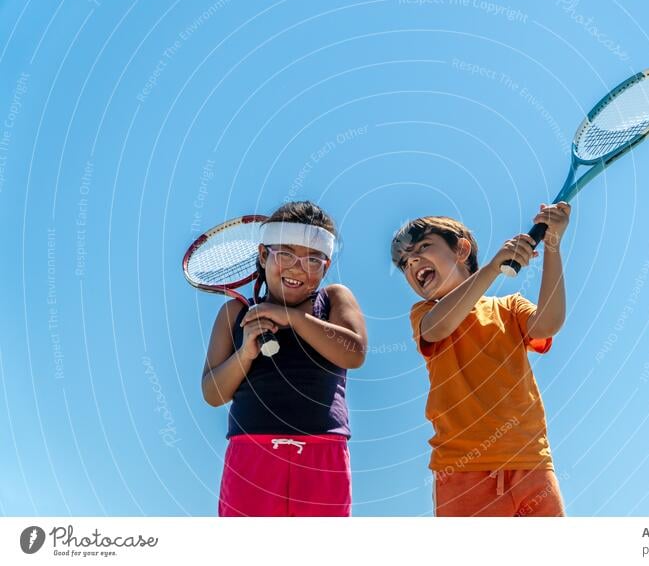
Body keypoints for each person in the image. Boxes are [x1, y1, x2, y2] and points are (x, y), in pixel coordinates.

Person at [391, 202, 571, 516]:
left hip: (532, 462)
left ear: (461, 250)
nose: (413, 261)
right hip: (462, 472)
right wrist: (492, 268)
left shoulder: (510, 307)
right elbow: (439, 328)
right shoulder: (425, 314)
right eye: (405, 262)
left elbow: (548, 323)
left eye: (422, 247)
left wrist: (552, 243)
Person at [202, 201, 367, 516]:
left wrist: (289, 317)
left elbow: (354, 352)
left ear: (326, 266)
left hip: (324, 454)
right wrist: (246, 352)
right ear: (264, 256)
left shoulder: (334, 299)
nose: (297, 268)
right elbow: (213, 393)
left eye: (312, 260)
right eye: (285, 254)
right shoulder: (234, 313)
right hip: (251, 453)